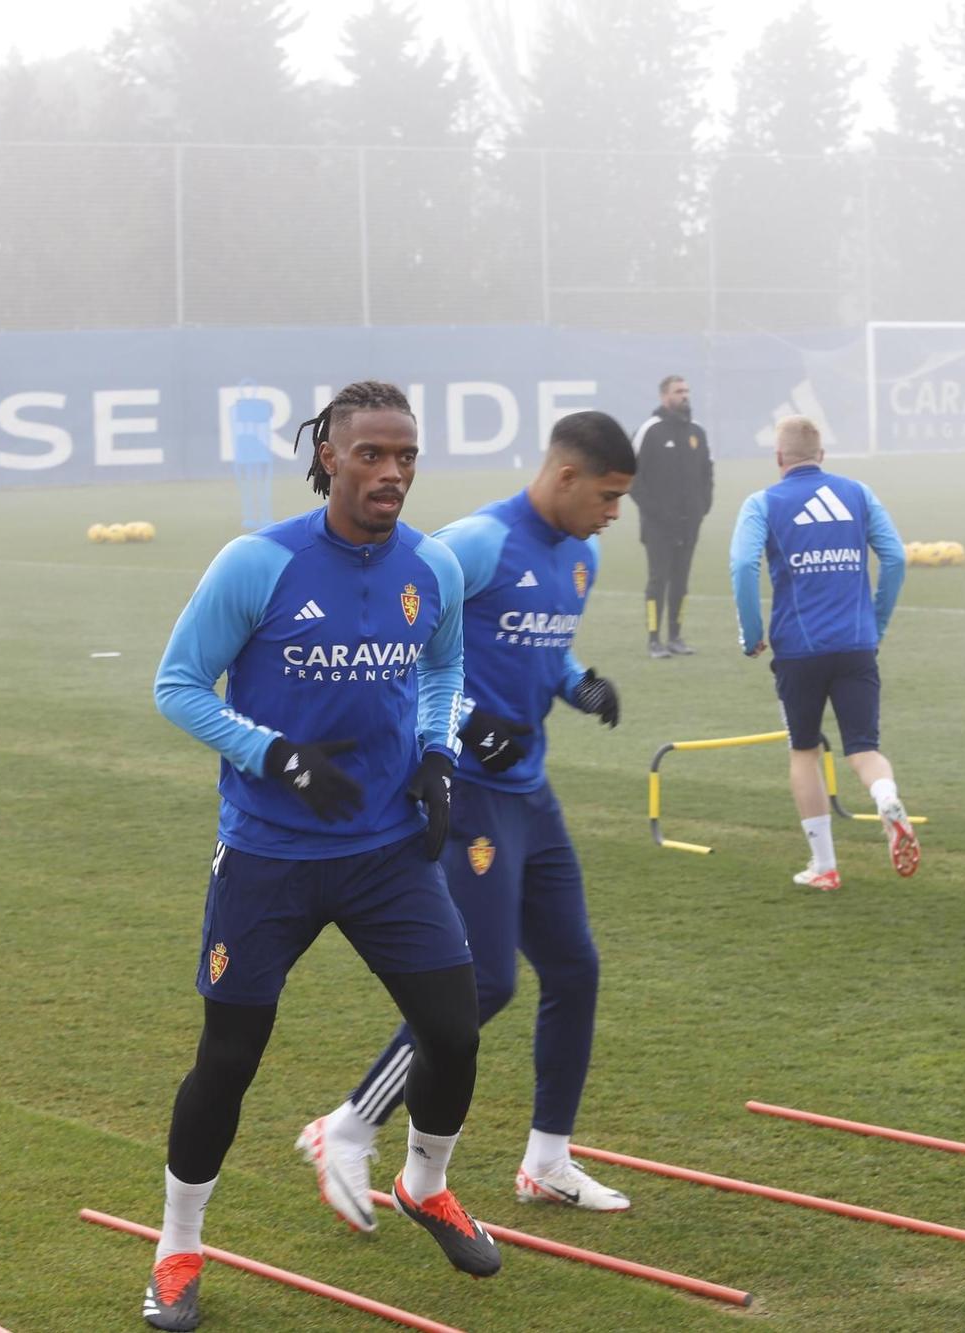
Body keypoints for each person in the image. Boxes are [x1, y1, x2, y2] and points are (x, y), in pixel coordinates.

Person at [145, 380, 499, 1332]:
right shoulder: (257, 563)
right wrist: (275, 755)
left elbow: (443, 666)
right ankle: (178, 1247)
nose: (392, 473)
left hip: (387, 849)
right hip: (268, 856)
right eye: (373, 454)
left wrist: (436, 758)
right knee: (229, 1056)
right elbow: (177, 686)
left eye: (407, 456)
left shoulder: (433, 566)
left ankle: (426, 1185)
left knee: (455, 1028)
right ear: (328, 457)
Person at [294, 410, 634, 1233]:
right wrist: (466, 722)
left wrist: (577, 681)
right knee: (483, 982)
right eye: (609, 494)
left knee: (575, 968)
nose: (614, 513)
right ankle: (345, 1125)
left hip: (530, 793)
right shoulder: (476, 542)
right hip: (468, 791)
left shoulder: (581, 558)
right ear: (563, 477)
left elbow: (540, 647)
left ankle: (547, 1161)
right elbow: (399, 636)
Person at [728, 416, 917, 891]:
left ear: (778, 459)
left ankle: (825, 866)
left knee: (804, 751)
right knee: (864, 749)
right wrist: (878, 622)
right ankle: (887, 798)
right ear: (822, 456)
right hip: (857, 644)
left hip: (798, 650)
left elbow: (742, 563)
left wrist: (751, 633)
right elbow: (895, 557)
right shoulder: (857, 493)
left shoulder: (763, 503)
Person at [630, 374, 713, 658]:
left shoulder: (697, 432)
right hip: (657, 525)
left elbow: (707, 472)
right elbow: (631, 477)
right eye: (679, 391)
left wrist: (703, 507)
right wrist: (655, 512)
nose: (685, 395)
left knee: (681, 581)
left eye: (687, 390)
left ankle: (676, 637)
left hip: (690, 524)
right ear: (664, 396)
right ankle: (654, 640)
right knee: (658, 579)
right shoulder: (649, 431)